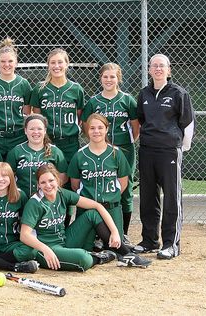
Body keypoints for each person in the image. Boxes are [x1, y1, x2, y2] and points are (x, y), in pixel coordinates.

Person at [20, 164, 151, 271]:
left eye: (51, 180)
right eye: (43, 182)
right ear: (38, 185)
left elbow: (97, 206)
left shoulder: (61, 193)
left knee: (92, 214)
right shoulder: (35, 203)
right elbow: (24, 235)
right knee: (84, 259)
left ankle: (127, 254)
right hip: (47, 249)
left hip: (65, 240)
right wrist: (45, 249)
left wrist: (115, 232)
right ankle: (100, 258)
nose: (48, 185)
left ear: (57, 180)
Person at [133, 54, 195, 260]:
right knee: (148, 197)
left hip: (169, 151)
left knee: (171, 197)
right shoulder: (144, 94)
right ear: (149, 70)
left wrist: (181, 147)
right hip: (147, 150)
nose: (158, 69)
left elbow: (187, 123)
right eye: (154, 66)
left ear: (169, 70)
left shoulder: (178, 93)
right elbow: (141, 121)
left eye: (162, 66)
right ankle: (149, 240)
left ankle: (171, 244)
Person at [81, 63, 139, 242]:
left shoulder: (127, 99)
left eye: (112, 76)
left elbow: (136, 128)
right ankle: (99, 232)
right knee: (99, 188)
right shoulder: (93, 101)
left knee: (124, 190)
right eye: (105, 76)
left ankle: (124, 233)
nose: (108, 80)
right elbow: (86, 126)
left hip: (124, 149)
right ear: (100, 78)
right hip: (100, 149)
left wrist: (124, 143)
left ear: (118, 78)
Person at [68, 113, 131, 238]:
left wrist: (111, 196)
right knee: (88, 247)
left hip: (111, 208)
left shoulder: (116, 154)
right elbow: (75, 185)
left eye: (100, 127)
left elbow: (123, 183)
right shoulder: (79, 155)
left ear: (106, 129)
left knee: (115, 245)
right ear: (87, 130)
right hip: (87, 209)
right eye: (92, 128)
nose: (96, 131)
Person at [29, 48, 85, 164]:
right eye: (53, 62)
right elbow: (36, 117)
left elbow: (79, 116)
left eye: (60, 62)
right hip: (47, 141)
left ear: (66, 64)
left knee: (69, 178)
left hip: (70, 142)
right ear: (48, 65)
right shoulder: (39, 89)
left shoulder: (76, 89)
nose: (56, 66)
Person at [0, 37, 32, 158]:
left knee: (16, 172)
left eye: (10, 61)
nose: (7, 65)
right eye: (3, 61)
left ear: (16, 62)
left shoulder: (24, 84)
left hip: (18, 136)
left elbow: (26, 113)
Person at [6, 113, 68, 197]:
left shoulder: (55, 152)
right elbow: (8, 177)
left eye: (39, 129)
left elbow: (63, 178)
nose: (36, 132)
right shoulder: (15, 152)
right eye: (31, 129)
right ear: (25, 130)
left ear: (45, 130)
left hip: (47, 199)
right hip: (22, 199)